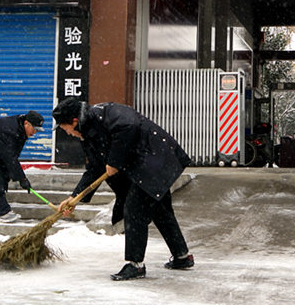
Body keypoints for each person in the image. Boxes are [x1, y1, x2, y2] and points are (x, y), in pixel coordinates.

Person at [52, 98, 194, 281]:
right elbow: (95, 168)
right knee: (160, 210)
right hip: (146, 164)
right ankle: (182, 256)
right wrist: (74, 197)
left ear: (74, 121)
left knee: (134, 209)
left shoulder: (104, 114)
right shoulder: (87, 135)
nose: (67, 133)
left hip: (155, 159)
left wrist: (114, 161)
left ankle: (135, 265)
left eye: (65, 128)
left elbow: (130, 125)